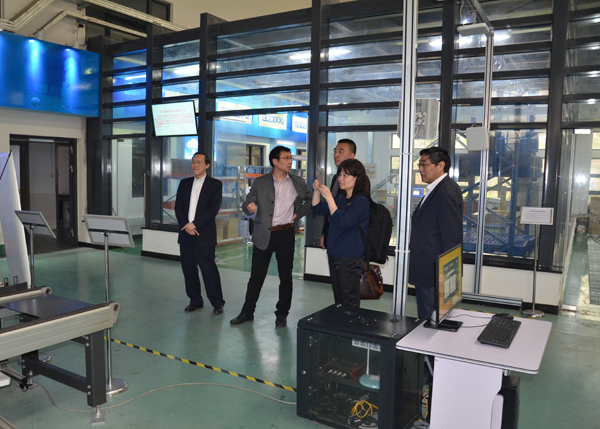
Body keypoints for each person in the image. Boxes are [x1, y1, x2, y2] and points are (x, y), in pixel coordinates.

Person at [230, 146, 313, 328]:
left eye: (291, 158)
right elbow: (247, 202)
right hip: (263, 234)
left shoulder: (298, 182)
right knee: (256, 277)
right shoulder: (261, 182)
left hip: (285, 233)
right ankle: (247, 312)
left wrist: (298, 214)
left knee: (286, 277)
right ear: (275, 161)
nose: (290, 161)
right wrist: (249, 207)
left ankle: (282, 314)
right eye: (286, 158)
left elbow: (311, 200)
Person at [409, 147, 463, 320]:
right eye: (419, 165)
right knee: (428, 316)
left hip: (434, 271)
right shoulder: (436, 189)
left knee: (431, 318)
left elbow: (452, 235)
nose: (420, 169)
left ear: (441, 165)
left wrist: (448, 274)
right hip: (427, 267)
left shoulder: (446, 192)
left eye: (424, 164)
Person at [312, 159, 370, 308]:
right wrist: (317, 192)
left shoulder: (361, 201)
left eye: (346, 175)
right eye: (339, 175)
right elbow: (317, 209)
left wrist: (329, 197)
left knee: (349, 301)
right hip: (334, 254)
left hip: (350, 257)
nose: (340, 179)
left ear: (357, 178)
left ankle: (349, 322)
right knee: (339, 300)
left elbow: (342, 221)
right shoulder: (340, 198)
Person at [175, 152, 226, 314]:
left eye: (199, 162)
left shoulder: (215, 185)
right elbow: (178, 208)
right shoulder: (184, 183)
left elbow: (213, 210)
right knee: (188, 270)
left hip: (204, 234)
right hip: (186, 234)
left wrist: (195, 225)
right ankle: (195, 300)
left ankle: (217, 302)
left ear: (207, 165)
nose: (195, 165)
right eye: (193, 162)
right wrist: (186, 225)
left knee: (208, 270)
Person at [321, 139, 356, 249]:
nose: (336, 155)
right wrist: (325, 232)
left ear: (352, 156)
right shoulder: (336, 178)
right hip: (333, 231)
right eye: (335, 151)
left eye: (341, 152)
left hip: (347, 235)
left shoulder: (357, 182)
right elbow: (330, 209)